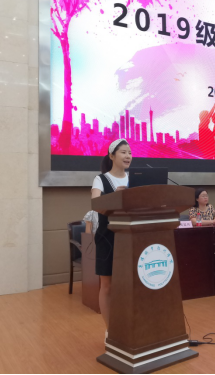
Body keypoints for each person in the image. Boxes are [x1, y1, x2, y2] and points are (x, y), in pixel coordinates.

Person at [91, 139, 132, 347]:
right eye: (123, 152)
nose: (128, 156)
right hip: (108, 237)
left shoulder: (135, 179)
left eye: (130, 152)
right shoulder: (101, 179)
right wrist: (116, 196)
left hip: (132, 237)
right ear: (112, 155)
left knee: (130, 284)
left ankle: (130, 325)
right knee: (107, 285)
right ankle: (110, 330)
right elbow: (96, 204)